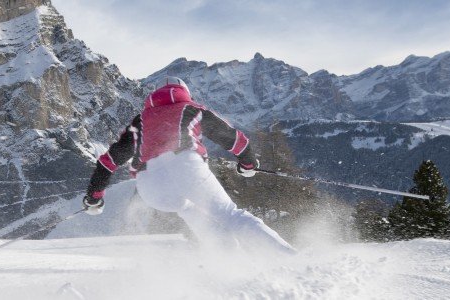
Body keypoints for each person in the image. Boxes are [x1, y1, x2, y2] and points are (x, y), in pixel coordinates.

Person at [82, 77, 295, 254]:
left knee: (190, 210)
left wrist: (94, 198)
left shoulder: (140, 120)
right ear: (185, 91)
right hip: (184, 164)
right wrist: (248, 162)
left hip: (149, 184)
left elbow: (108, 162)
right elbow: (232, 138)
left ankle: (231, 263)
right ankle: (288, 258)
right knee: (229, 214)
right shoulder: (190, 108)